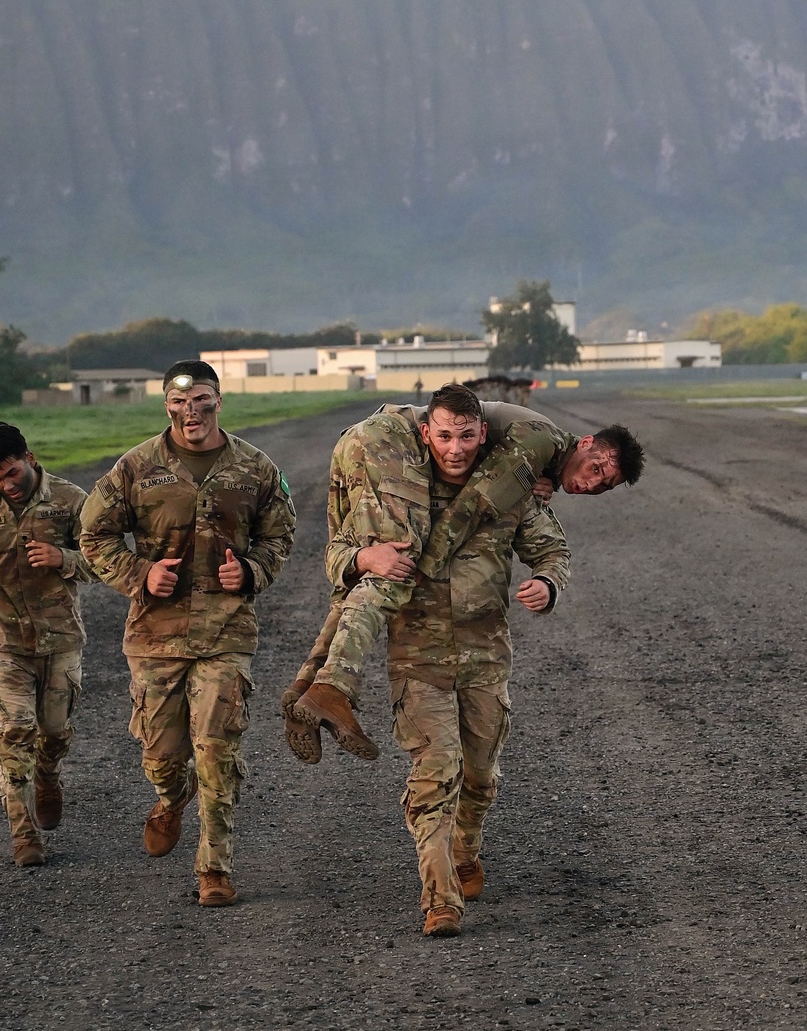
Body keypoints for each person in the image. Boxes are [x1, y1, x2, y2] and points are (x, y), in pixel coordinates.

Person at [289, 383, 574, 936]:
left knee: (481, 778)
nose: (456, 447)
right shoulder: (396, 495)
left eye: (467, 436)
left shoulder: (505, 489)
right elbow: (336, 557)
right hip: (417, 660)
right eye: (444, 435)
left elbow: (552, 548)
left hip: (485, 657)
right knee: (434, 774)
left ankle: (466, 851)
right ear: (427, 434)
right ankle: (439, 896)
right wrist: (362, 556)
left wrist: (547, 583)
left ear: (481, 434)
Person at [286, 391, 643, 759]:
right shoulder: (540, 442)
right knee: (396, 560)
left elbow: (546, 538)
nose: (591, 484)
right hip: (385, 444)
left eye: (604, 485)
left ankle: (306, 689)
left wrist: (547, 571)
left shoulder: (541, 460)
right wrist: (422, 571)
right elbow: (473, 505)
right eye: (595, 469)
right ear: (584, 443)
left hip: (362, 440)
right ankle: (332, 689)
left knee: (367, 568)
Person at [78, 360, 296, 906]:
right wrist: (138, 574)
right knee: (163, 753)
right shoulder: (136, 468)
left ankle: (214, 868)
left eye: (200, 399)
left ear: (218, 400)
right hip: (155, 634)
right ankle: (170, 799)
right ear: (166, 405)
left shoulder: (256, 468)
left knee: (217, 749)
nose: (190, 411)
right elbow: (93, 534)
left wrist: (250, 571)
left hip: (227, 633)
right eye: (178, 402)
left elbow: (280, 534)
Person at [0, 421, 93, 867]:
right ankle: (23, 834)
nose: (5, 485)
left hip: (59, 639)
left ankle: (48, 776)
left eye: (11, 474)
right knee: (13, 732)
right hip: (2, 640)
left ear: (30, 459)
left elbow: (106, 561)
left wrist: (63, 558)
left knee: (54, 734)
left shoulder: (70, 501)